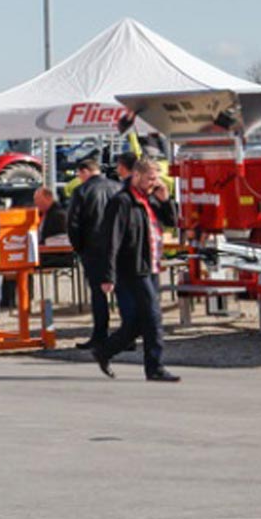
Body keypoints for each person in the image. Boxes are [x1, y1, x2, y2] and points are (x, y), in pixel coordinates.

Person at [93, 158, 181, 383]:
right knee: (153, 317)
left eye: (157, 178)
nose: (154, 183)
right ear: (137, 176)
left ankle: (105, 351)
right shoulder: (122, 201)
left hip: (150, 266)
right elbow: (110, 239)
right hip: (132, 267)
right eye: (151, 178)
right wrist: (107, 275)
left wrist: (166, 199)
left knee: (138, 322)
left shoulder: (150, 198)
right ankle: (155, 367)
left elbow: (171, 221)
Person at [67, 158, 115, 349]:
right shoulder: (117, 187)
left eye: (79, 174)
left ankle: (100, 335)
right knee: (124, 292)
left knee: (98, 294)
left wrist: (79, 247)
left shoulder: (82, 191)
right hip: (118, 247)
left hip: (93, 248)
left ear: (85, 171)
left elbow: (73, 223)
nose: (79, 178)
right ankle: (127, 335)